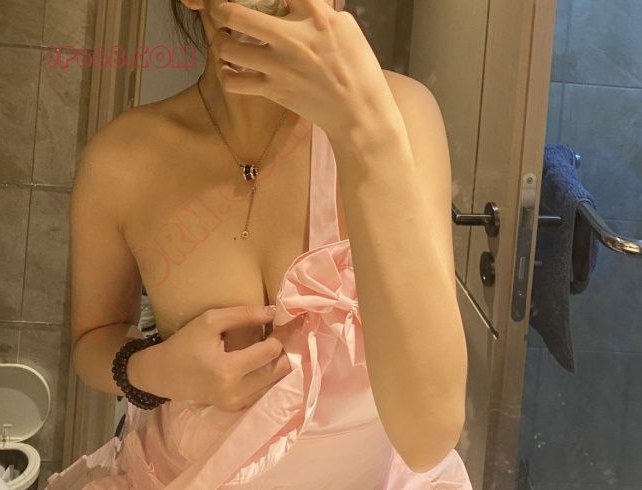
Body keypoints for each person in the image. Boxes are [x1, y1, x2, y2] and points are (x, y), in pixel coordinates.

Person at [46, 0, 472, 488]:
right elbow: (92, 340)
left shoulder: (397, 116)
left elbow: (429, 435)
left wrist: (362, 129)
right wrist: (152, 371)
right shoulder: (122, 160)